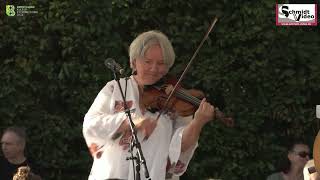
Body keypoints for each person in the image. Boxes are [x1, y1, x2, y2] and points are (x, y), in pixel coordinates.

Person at [83, 30, 216, 180]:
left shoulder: (175, 100)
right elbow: (91, 125)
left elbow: (181, 147)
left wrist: (198, 123)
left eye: (161, 64)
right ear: (134, 62)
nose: (154, 69)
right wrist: (130, 122)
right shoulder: (115, 88)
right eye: (147, 62)